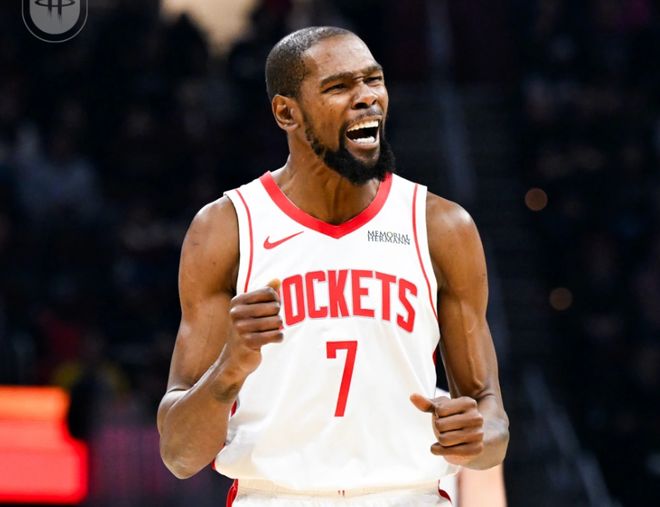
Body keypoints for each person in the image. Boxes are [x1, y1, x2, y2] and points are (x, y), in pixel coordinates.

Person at [157, 26, 509, 506]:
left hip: (409, 495)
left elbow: (493, 422)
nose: (366, 98)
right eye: (339, 86)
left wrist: (477, 436)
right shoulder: (226, 228)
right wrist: (229, 368)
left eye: (373, 80)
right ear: (287, 113)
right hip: (275, 497)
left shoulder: (441, 226)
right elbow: (179, 455)